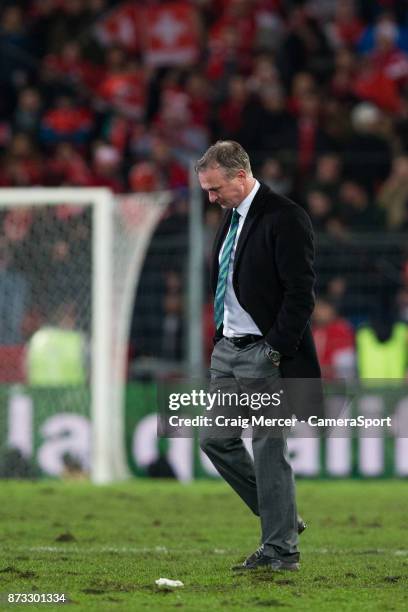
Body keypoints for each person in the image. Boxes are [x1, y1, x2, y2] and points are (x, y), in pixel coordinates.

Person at [196, 141, 321, 572]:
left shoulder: (284, 216)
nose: (210, 198)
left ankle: (281, 550)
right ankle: (282, 519)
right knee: (215, 441)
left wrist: (275, 349)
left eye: (215, 189)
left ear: (240, 176)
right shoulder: (232, 217)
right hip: (227, 351)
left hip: (261, 353)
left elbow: (301, 294)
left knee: (268, 448)